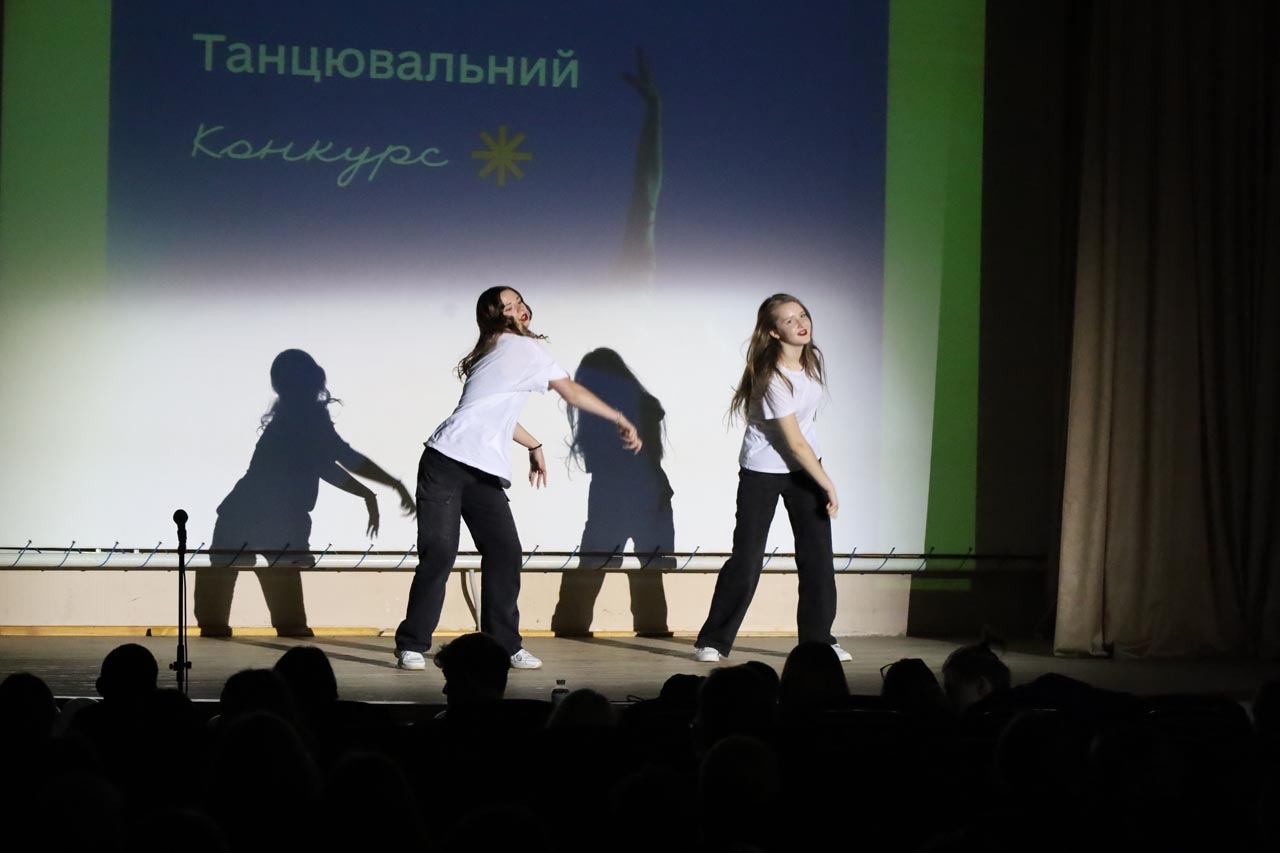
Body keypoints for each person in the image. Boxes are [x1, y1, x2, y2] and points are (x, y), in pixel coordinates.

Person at [394, 287, 642, 671]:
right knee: (439, 552)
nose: (518, 309)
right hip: (446, 462)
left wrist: (534, 443)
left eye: (519, 302)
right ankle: (412, 644)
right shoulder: (517, 348)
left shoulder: (501, 349)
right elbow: (571, 392)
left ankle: (504, 645)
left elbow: (498, 415)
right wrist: (619, 417)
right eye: (507, 307)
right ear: (496, 318)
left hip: (482, 471)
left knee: (505, 552)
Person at [197, 349, 416, 637]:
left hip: (256, 516)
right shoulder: (302, 419)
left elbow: (330, 462)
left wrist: (375, 491)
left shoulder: (297, 419)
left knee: (274, 608)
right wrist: (384, 488)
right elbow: (336, 460)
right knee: (270, 609)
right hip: (262, 517)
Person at [693, 294, 851, 663]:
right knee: (747, 560)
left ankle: (819, 640)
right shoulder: (772, 377)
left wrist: (817, 474)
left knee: (818, 559)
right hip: (763, 471)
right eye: (788, 320)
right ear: (774, 332)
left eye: (802, 315)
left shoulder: (811, 361)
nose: (800, 323)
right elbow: (793, 442)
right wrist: (827, 482)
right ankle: (713, 641)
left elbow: (804, 432)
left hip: (804, 469)